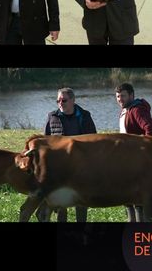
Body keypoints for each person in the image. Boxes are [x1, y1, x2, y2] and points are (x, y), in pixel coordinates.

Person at [39, 87, 97, 223]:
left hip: (81, 166)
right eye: (58, 100)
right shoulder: (51, 116)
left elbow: (94, 140)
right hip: (60, 166)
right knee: (61, 202)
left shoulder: (85, 116)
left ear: (73, 100)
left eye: (64, 100)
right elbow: (45, 141)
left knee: (81, 199)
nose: (60, 103)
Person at [115, 82, 152, 222]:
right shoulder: (124, 110)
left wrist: (143, 152)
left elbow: (151, 129)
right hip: (126, 161)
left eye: (123, 96)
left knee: (139, 198)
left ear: (132, 95)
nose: (120, 99)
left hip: (138, 162)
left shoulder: (137, 110)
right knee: (127, 197)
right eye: (117, 96)